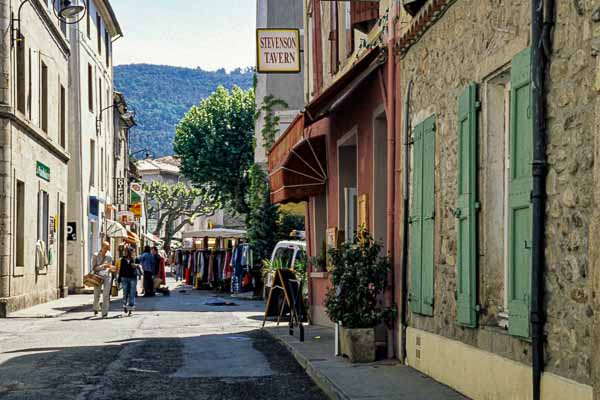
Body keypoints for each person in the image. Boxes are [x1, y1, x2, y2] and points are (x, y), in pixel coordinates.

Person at [92, 241, 114, 318]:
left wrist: (112, 268)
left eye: (108, 248)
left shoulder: (110, 255)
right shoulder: (96, 255)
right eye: (105, 248)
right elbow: (94, 268)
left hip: (107, 276)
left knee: (106, 294)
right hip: (98, 276)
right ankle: (96, 308)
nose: (107, 249)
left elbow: (110, 266)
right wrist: (102, 266)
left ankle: (104, 312)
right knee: (97, 294)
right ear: (102, 247)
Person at [118, 247, 139, 316]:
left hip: (133, 277)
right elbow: (121, 269)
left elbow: (139, 267)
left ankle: (130, 308)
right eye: (133, 251)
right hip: (124, 278)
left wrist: (135, 265)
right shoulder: (123, 260)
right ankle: (124, 305)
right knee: (125, 293)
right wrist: (119, 279)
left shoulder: (136, 259)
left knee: (132, 293)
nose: (134, 253)